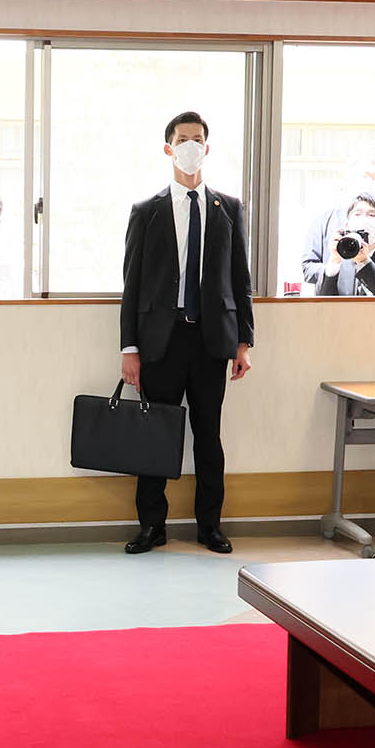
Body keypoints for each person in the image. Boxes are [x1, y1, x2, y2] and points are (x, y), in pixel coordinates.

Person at [117, 111, 253, 555]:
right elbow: (132, 285)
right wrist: (130, 347)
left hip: (212, 341)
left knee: (208, 437)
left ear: (207, 148)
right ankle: (151, 526)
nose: (190, 145)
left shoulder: (228, 208)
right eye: (182, 139)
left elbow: (240, 279)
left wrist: (244, 342)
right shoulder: (147, 211)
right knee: (155, 435)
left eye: (197, 139)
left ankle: (209, 526)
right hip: (161, 341)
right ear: (168, 147)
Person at [301, 191, 375, 295]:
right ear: (347, 225)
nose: (363, 219)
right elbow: (322, 303)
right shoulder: (343, 254)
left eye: (372, 215)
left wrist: (363, 261)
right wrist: (334, 262)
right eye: (357, 214)